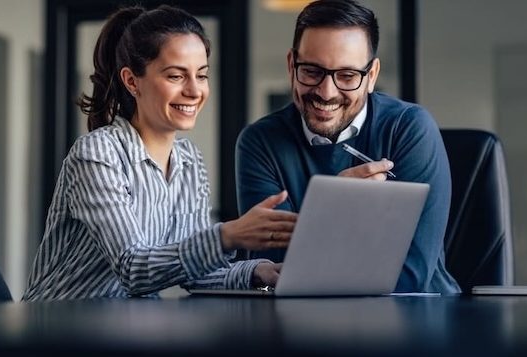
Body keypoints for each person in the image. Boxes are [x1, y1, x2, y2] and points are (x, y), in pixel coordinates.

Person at [23, 5, 296, 303]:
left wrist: (259, 272)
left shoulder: (189, 160)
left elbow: (194, 270)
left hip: (127, 329)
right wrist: (228, 235)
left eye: (201, 75)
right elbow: (133, 268)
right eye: (176, 76)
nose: (195, 91)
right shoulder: (97, 154)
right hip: (56, 330)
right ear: (131, 81)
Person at [236, 0, 460, 294]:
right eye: (312, 71)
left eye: (347, 76)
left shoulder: (410, 129)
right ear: (292, 66)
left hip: (418, 318)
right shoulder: (259, 143)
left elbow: (411, 273)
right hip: (304, 325)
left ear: (371, 76)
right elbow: (279, 272)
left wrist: (315, 236)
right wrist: (333, 210)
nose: (326, 93)